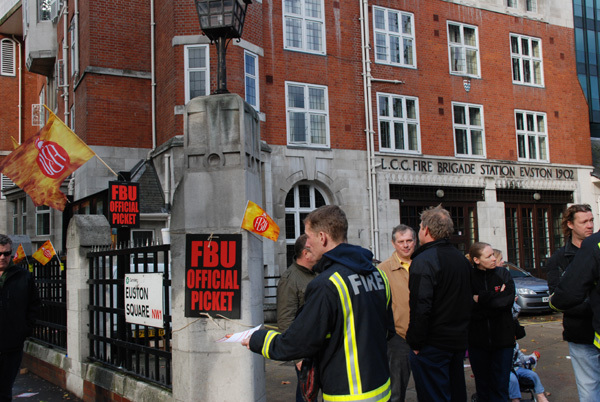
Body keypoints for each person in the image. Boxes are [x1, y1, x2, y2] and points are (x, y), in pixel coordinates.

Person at [243, 205, 395, 402]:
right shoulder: (379, 275)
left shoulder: (327, 284)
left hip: (348, 393)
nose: (307, 243)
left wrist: (257, 339)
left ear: (322, 238)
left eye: (308, 236)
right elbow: (387, 331)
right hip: (382, 389)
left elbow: (297, 343)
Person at [405, 205, 473, 401]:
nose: (419, 232)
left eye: (419, 227)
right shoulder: (460, 258)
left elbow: (421, 305)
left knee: (434, 395)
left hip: (433, 345)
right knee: (455, 392)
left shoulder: (425, 260)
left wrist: (416, 342)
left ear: (426, 229)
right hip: (456, 342)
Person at [545, 204, 598, 402]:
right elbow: (558, 297)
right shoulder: (559, 258)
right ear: (570, 224)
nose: (590, 226)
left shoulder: (596, 249)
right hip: (581, 332)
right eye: (584, 222)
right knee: (589, 387)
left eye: (591, 220)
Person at [467, 242, 516, 402]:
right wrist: (493, 299)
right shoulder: (469, 277)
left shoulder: (503, 274)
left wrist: (481, 298)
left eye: (493, 255)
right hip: (478, 342)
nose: (494, 259)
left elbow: (507, 301)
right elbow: (468, 306)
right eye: (488, 256)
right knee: (483, 387)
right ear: (477, 260)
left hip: (503, 341)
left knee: (501, 386)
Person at [276, 234, 317, 402]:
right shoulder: (290, 279)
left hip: (324, 347)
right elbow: (286, 321)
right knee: (307, 395)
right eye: (315, 247)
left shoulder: (319, 272)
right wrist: (297, 357)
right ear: (306, 253)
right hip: (305, 351)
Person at [378, 224, 416, 402]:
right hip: (398, 337)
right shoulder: (383, 270)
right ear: (394, 244)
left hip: (426, 335)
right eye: (401, 241)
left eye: (409, 240)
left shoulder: (423, 264)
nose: (406, 245)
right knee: (396, 389)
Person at [0, 235, 41, 402]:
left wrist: (24, 329)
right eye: (0, 253)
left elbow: (34, 305)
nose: (2, 257)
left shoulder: (23, 276)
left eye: (6, 253)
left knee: (4, 390)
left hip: (11, 344)